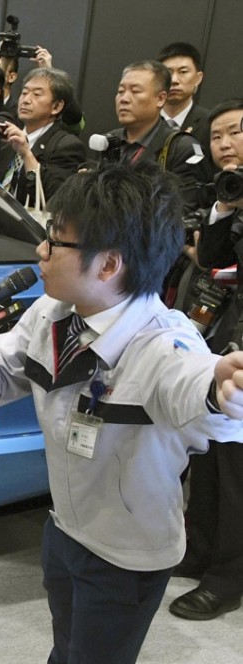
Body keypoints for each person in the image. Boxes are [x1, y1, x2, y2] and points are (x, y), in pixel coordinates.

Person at [0, 162, 243, 664]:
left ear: (108, 265)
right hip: (65, 528)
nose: (41, 252)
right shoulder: (51, 315)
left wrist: (223, 386)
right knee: (65, 658)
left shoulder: (165, 341)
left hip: (126, 555)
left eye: (54, 242)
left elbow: (193, 384)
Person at [173, 98, 243, 621]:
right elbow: (215, 260)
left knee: (237, 465)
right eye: (218, 135)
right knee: (208, 453)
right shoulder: (227, 194)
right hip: (218, 336)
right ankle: (198, 550)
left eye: (237, 132)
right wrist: (225, 206)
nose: (225, 144)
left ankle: (229, 575)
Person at [0, 67, 85, 206]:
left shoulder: (66, 145)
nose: (26, 100)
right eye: (24, 92)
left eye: (37, 95)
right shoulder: (7, 137)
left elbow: (51, 197)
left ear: (56, 106)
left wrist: (27, 155)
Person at [103, 60, 208, 210]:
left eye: (135, 91)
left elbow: (185, 210)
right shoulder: (109, 140)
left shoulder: (183, 147)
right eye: (120, 91)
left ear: (160, 99)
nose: (124, 99)